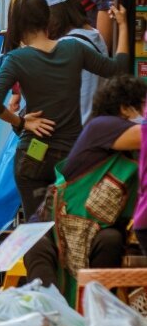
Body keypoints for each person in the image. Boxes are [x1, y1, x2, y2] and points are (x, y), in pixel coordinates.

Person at [0, 0, 129, 221]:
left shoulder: (16, 60)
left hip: (34, 154)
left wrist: (22, 122)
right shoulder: (74, 49)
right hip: (71, 158)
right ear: (48, 19)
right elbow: (118, 69)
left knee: (36, 230)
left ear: (19, 25)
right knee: (70, 225)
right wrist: (123, 26)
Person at [24, 76, 145, 286]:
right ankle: (50, 311)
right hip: (53, 225)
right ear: (125, 107)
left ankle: (93, 310)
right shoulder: (101, 126)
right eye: (142, 106)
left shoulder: (129, 150)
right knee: (37, 246)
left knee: (111, 240)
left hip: (98, 230)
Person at [39, 0, 109, 124]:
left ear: (51, 14)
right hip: (90, 132)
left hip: (73, 137)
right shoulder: (95, 35)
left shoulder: (68, 46)